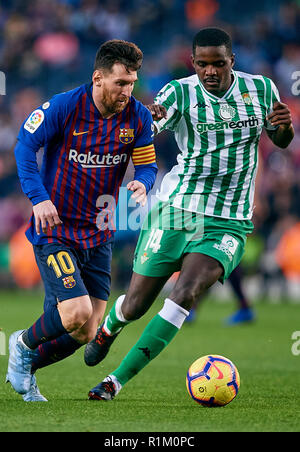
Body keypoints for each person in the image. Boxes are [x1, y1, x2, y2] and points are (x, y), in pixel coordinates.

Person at [86, 27, 294, 401]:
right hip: (177, 210)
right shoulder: (179, 92)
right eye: (202, 64)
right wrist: (152, 118)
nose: (210, 71)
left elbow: (279, 138)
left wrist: (285, 127)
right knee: (135, 305)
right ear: (194, 63)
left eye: (218, 63)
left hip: (228, 220)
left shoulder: (261, 89)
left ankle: (114, 381)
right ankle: (109, 328)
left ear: (232, 61)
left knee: (185, 294)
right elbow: (149, 126)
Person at [6, 39, 158, 402]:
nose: (127, 91)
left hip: (100, 232)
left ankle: (27, 368)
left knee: (86, 331)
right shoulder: (65, 107)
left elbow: (148, 164)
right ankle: (21, 344)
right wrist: (39, 199)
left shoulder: (138, 117)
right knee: (76, 311)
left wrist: (142, 182)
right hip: (56, 229)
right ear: (98, 78)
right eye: (120, 82)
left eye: (132, 82)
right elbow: (25, 146)